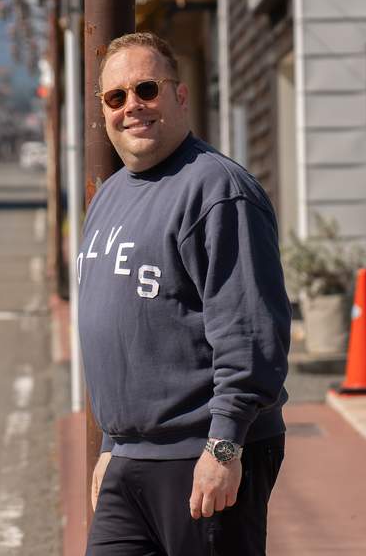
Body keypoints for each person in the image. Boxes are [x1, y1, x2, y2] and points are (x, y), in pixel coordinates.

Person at [78, 32, 291, 556]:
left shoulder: (218, 190)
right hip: (131, 461)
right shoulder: (108, 197)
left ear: (179, 96)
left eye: (146, 88)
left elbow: (250, 334)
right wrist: (114, 444)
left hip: (203, 454)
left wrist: (224, 446)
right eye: (116, 97)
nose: (133, 106)